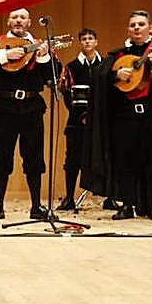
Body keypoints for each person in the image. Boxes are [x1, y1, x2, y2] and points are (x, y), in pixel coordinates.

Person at [86, 10, 152, 221]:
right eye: (133, 25)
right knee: (125, 161)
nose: (137, 28)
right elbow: (100, 79)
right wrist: (115, 75)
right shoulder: (119, 55)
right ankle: (127, 205)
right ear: (128, 30)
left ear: (150, 28)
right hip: (125, 116)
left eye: (141, 24)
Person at [0, 7, 53, 220]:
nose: (18, 20)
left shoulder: (38, 45)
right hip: (5, 107)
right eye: (14, 17)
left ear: (29, 22)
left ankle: (36, 207)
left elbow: (51, 76)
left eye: (22, 17)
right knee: (2, 156)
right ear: (8, 21)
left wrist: (44, 57)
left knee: (34, 156)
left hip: (32, 107)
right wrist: (5, 55)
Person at [57, 27, 101, 211]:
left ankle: (109, 197)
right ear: (80, 42)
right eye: (84, 39)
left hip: (100, 123)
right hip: (76, 121)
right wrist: (80, 114)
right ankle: (69, 197)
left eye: (91, 38)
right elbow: (66, 93)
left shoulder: (105, 64)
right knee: (72, 160)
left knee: (103, 158)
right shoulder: (71, 67)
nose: (87, 42)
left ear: (96, 42)